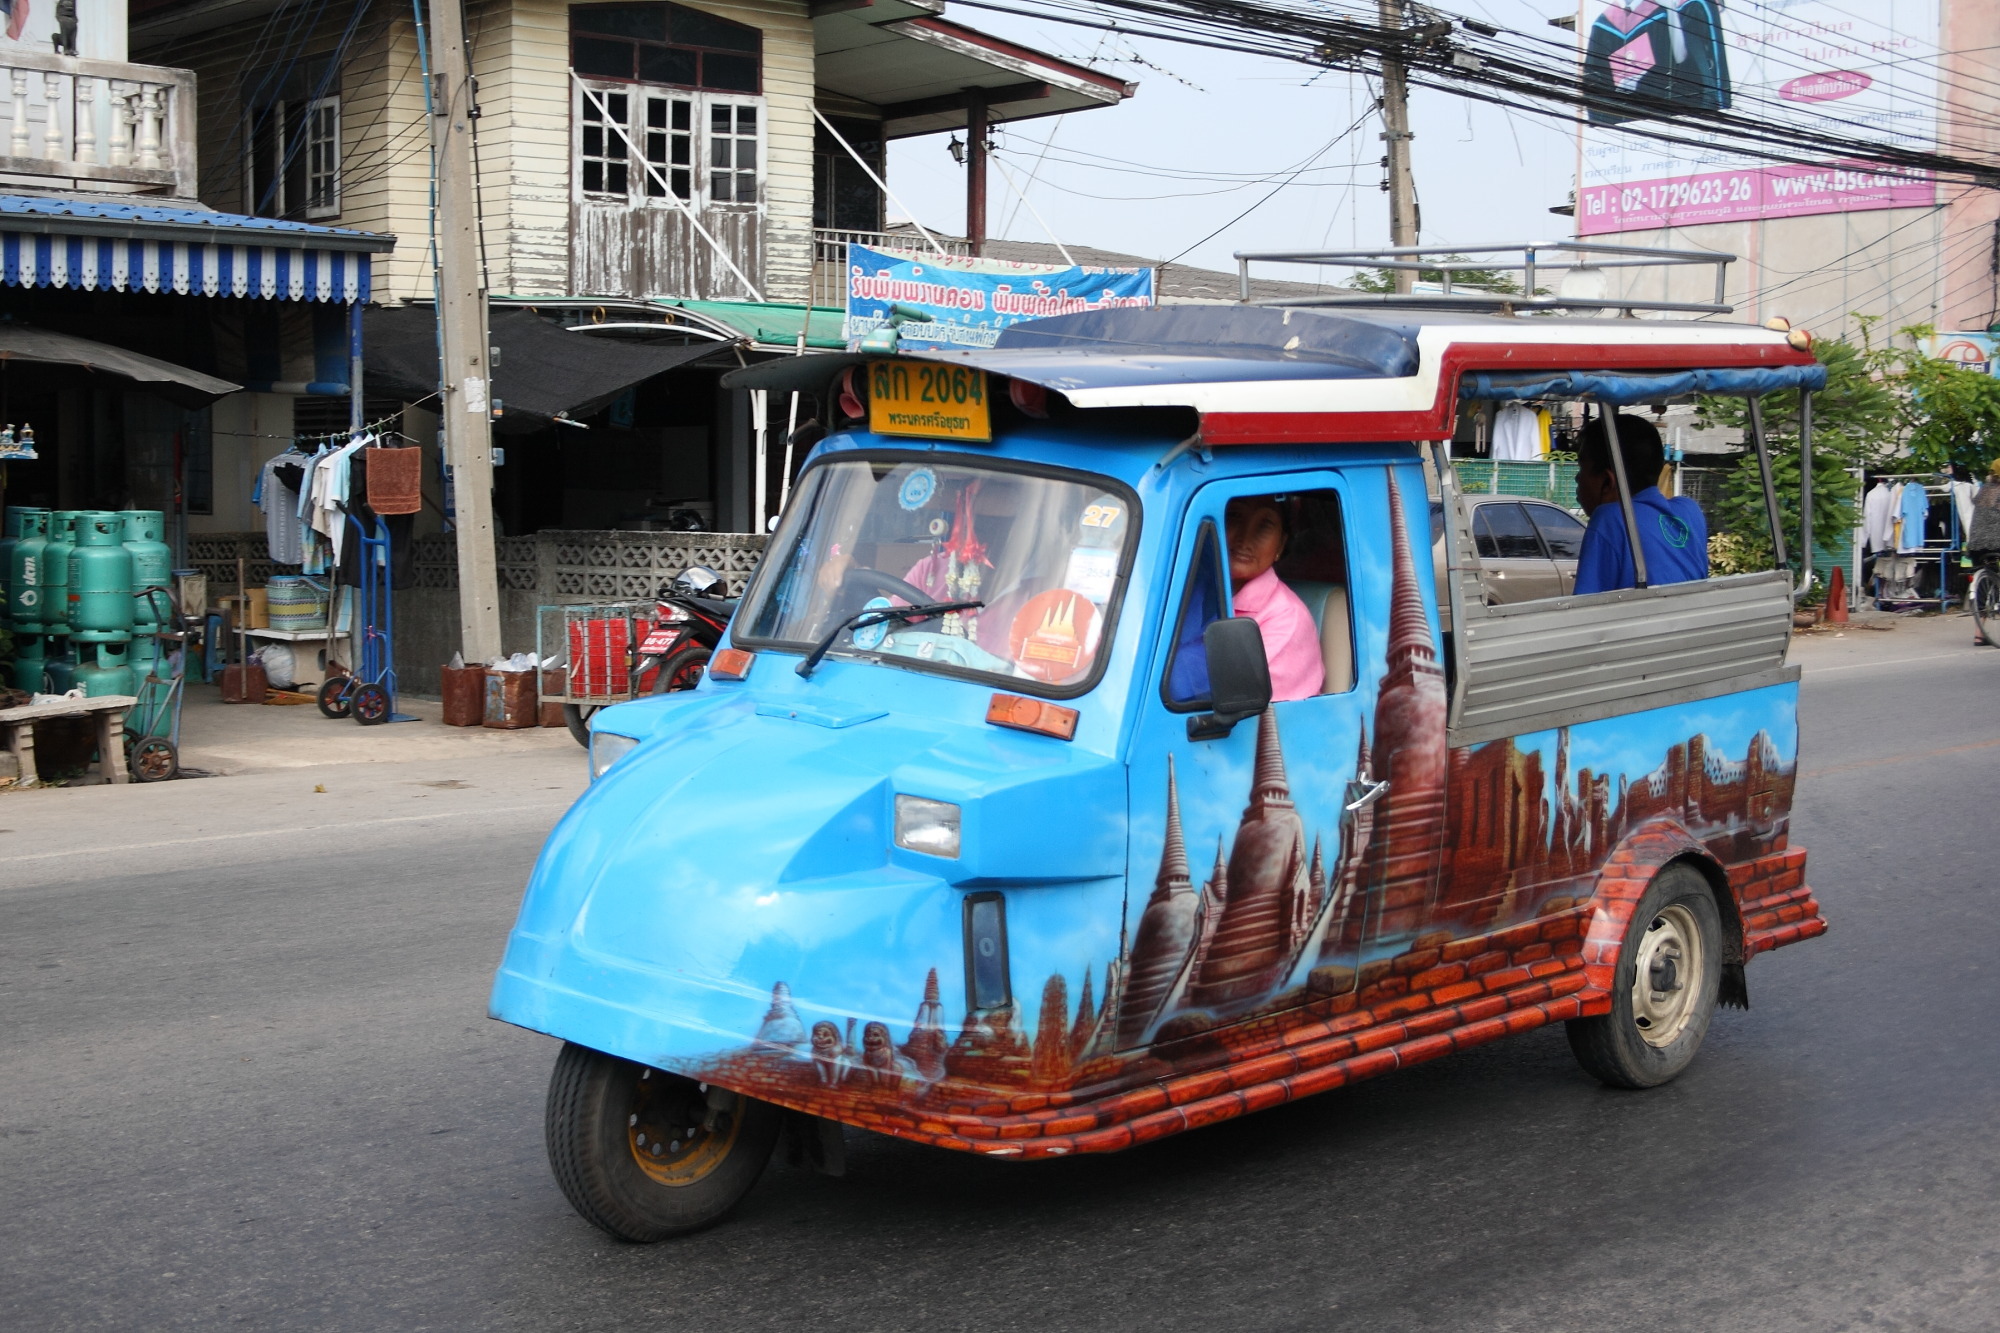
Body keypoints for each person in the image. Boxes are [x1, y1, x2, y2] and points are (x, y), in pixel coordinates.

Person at [1572, 412, 1708, 595]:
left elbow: (1584, 611)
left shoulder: (1609, 519)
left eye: (1582, 468)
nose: (1577, 478)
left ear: (1608, 481)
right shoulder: (1690, 512)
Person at [1225, 495, 1324, 702]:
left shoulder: (1288, 619)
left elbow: (1238, 701)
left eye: (1264, 525)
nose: (1245, 537)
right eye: (1234, 517)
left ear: (1280, 545)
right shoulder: (1196, 587)